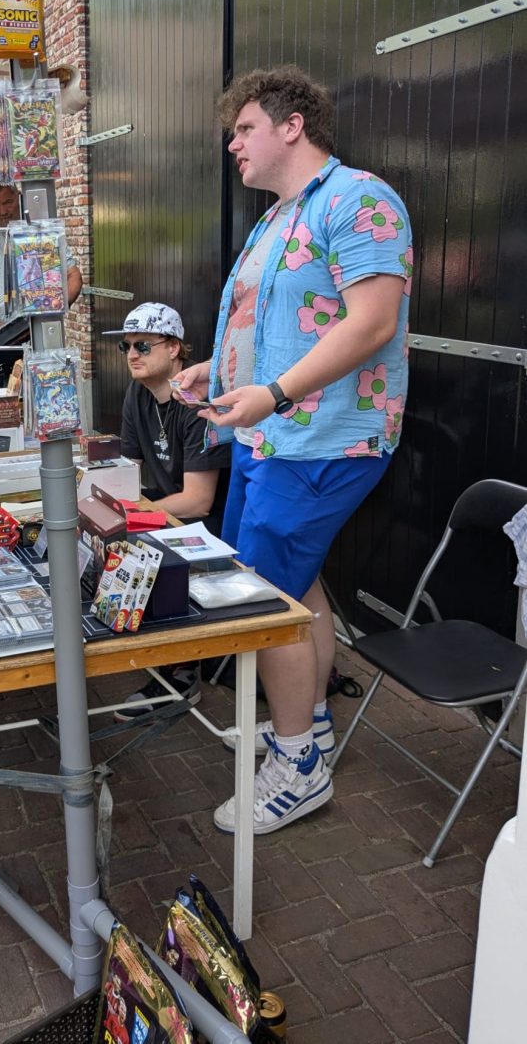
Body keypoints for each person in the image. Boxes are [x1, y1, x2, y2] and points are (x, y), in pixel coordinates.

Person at [175, 66, 412, 835]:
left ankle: (297, 768)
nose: (232, 145)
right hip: (267, 435)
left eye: (242, 129)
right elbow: (282, 328)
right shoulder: (274, 219)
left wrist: (273, 394)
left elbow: (370, 323)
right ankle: (304, 723)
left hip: (322, 440)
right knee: (292, 584)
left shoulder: (360, 199)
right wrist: (217, 369)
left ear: (290, 125)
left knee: (263, 599)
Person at [105, 302, 231, 719]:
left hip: (209, 529)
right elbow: (129, 473)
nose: (132, 355)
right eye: (127, 347)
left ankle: (179, 675)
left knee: (138, 545)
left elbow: (199, 500)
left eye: (143, 345)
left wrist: (135, 518)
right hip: (166, 515)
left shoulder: (196, 403)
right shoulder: (136, 394)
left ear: (175, 348)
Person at [0, 183, 83, 344]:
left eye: (7, 203)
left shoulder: (40, 232)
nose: (3, 211)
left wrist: (55, 309)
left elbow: (73, 276)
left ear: (19, 196)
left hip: (41, 332)